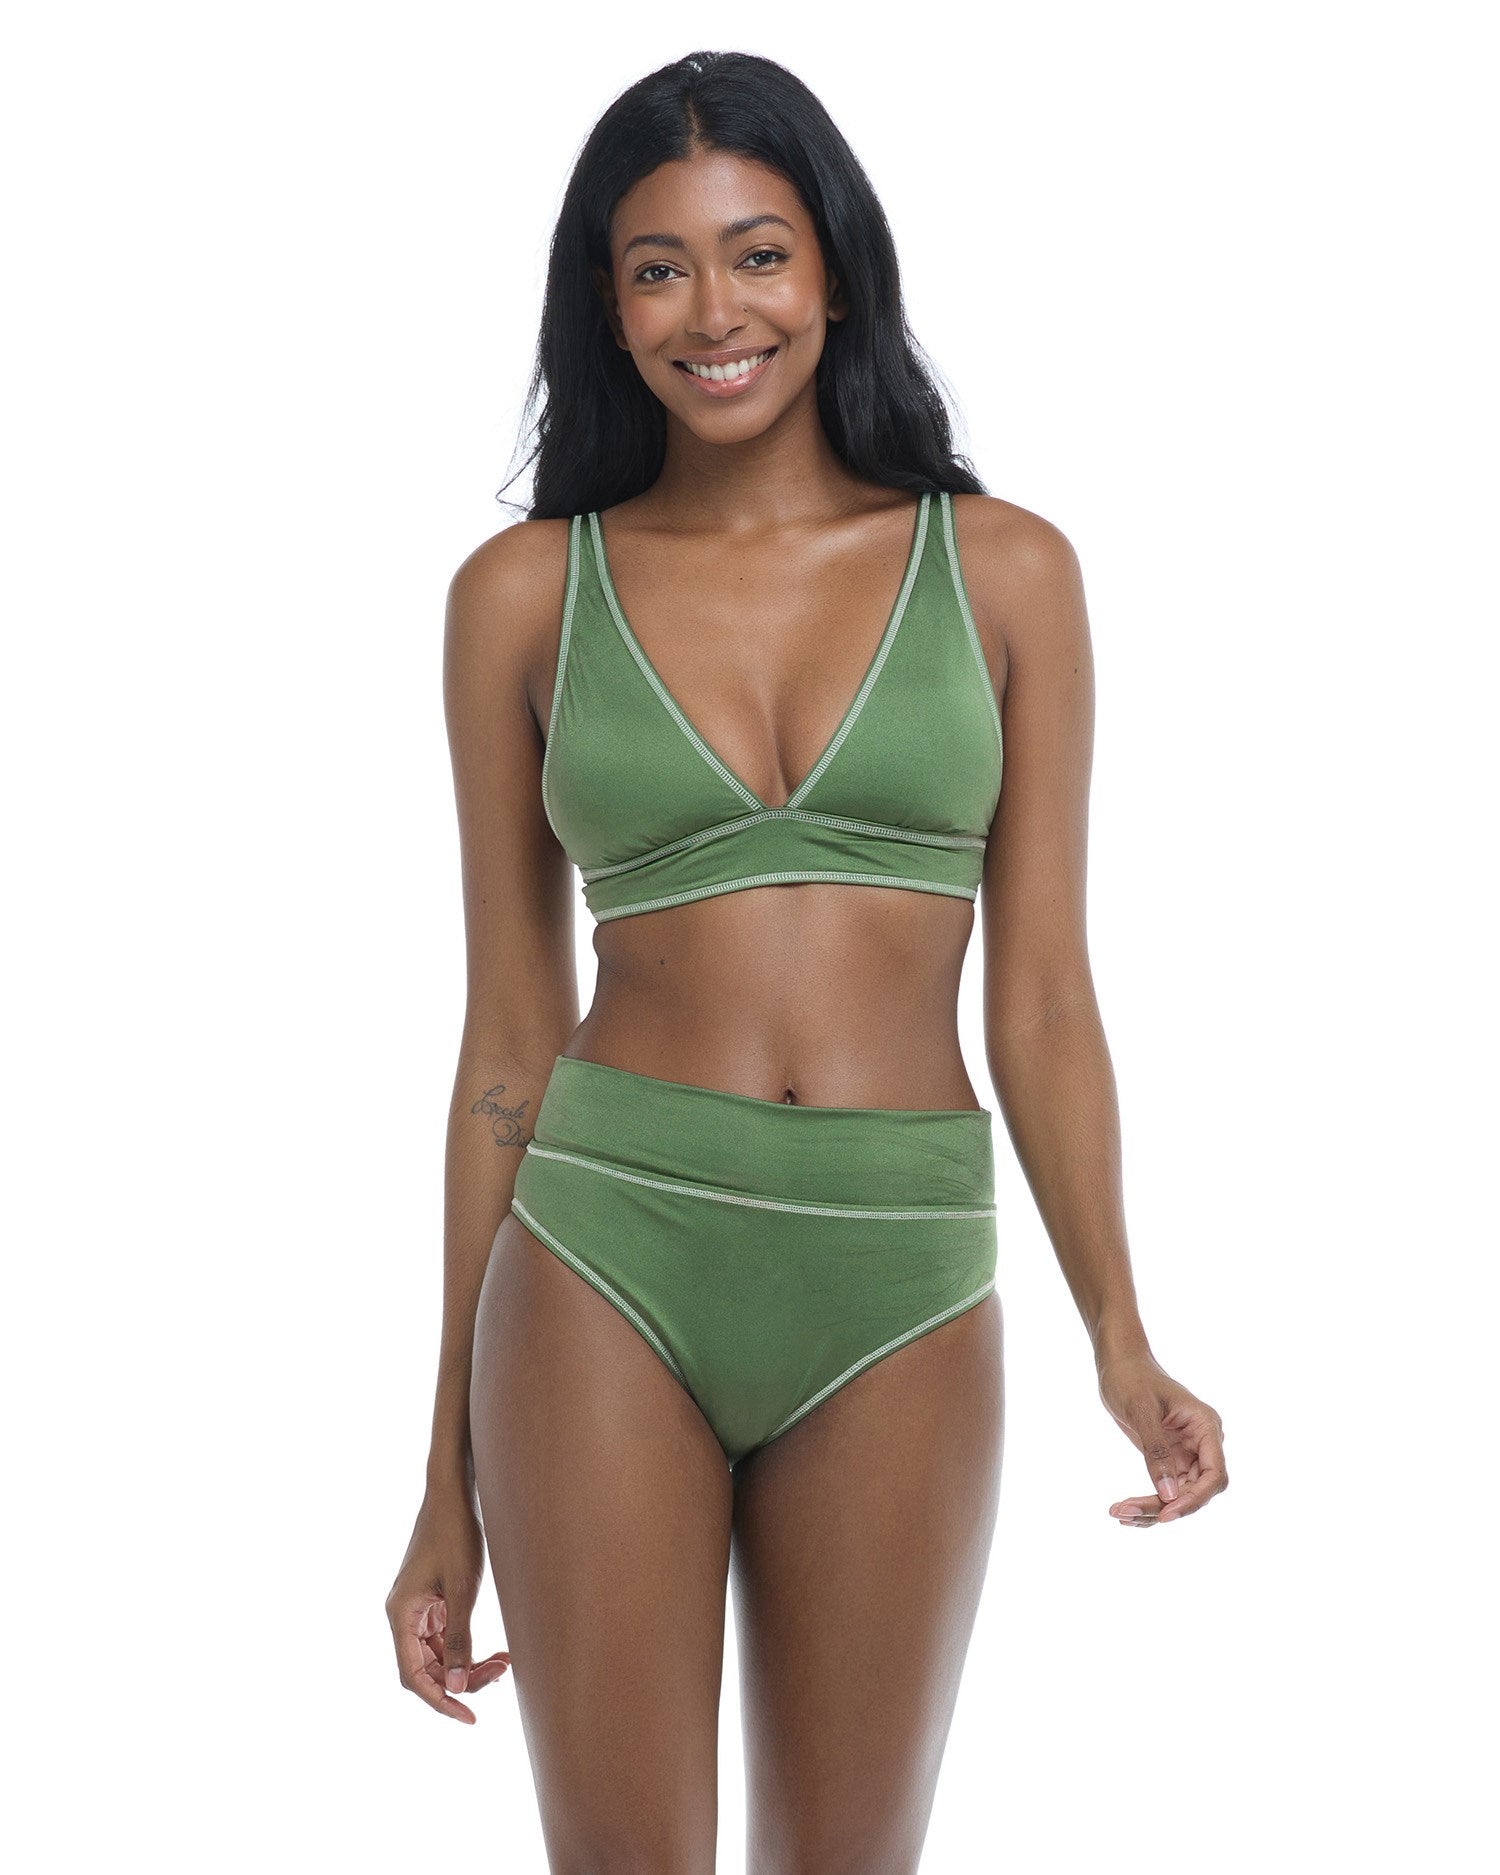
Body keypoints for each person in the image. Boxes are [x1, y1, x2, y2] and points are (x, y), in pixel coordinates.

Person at [386, 47, 1227, 1874]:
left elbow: (1045, 1002)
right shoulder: (520, 598)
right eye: (660, 267)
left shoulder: (1005, 573)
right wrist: (443, 1477)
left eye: (758, 254)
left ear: (835, 271)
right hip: (604, 1255)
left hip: (898, 1275)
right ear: (607, 308)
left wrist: (1121, 1334)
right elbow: (508, 1042)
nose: (716, 312)